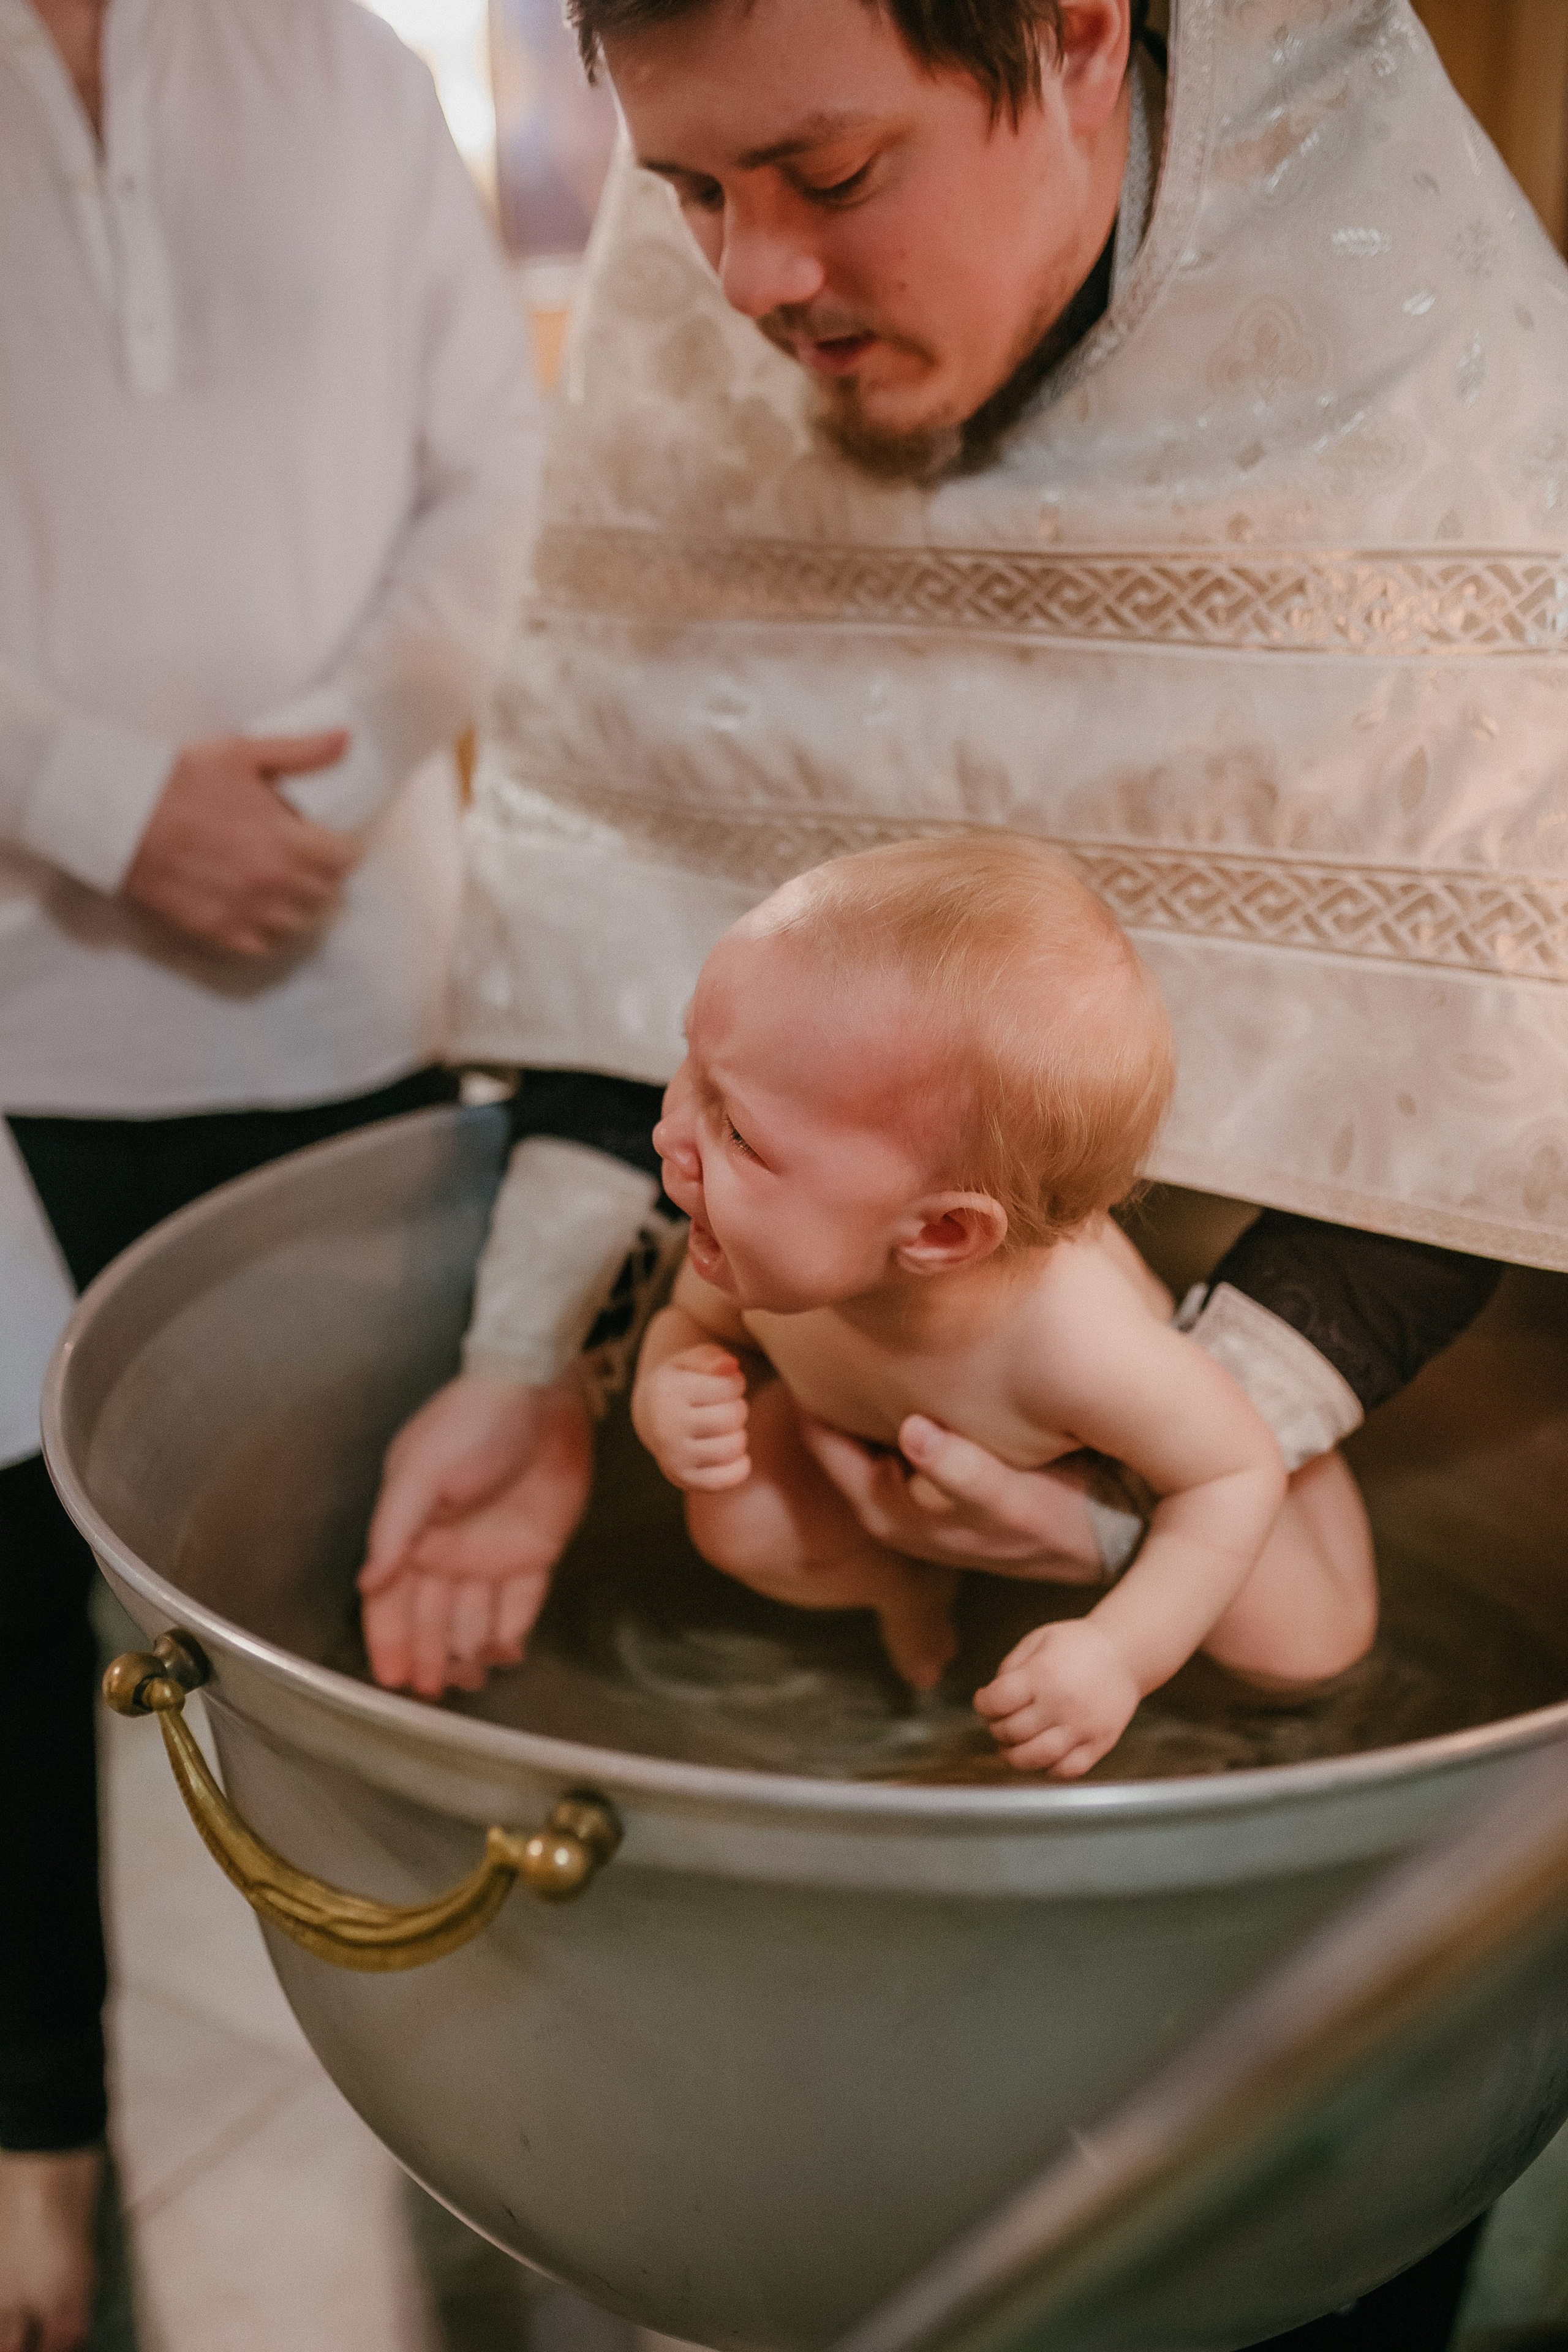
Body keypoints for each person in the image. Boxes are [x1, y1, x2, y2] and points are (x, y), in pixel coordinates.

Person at [361, 0, 1567, 2338]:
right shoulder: (713, 293)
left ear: (1085, 38)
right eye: (689, 189)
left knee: (1273, 2245)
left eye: (825, 170)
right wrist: (531, 1370)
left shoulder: (1414, 343)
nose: (748, 277)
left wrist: (1123, 1513)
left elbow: (1495, 1031)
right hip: (908, 1338)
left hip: (1315, 1418)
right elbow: (655, 892)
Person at [0, 0, 538, 2343]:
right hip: (15, 1015)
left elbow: (495, 488)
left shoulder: (351, 64)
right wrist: (105, 807)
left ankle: (503, 2113)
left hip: (354, 989)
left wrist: (308, 804)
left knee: (393, 1607)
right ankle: (32, 2129)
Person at [632, 840, 1378, 1773]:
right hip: (888, 1458)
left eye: (734, 1129)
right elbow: (692, 1324)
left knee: (1305, 1651)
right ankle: (903, 1581)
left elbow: (1234, 1473)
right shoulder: (760, 1258)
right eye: (690, 1066)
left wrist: (1121, 1652)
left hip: (1118, 1460)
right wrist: (666, 1385)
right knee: (734, 1517)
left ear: (939, 1234)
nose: (667, 1131)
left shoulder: (1076, 1346)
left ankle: (1301, 1507)